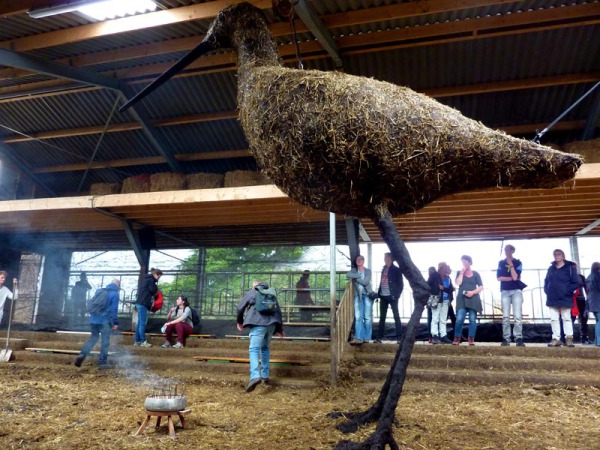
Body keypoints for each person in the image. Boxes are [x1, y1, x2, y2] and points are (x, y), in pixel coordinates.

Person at [236, 280, 284, 392]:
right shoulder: (271, 292)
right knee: (265, 348)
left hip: (258, 324)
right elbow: (278, 311)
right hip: (271, 325)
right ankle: (265, 375)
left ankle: (255, 376)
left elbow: (240, 307)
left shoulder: (253, 291)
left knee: (253, 350)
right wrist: (280, 329)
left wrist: (239, 321)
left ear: (255, 286)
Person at [75, 278, 120, 369]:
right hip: (104, 321)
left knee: (93, 338)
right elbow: (113, 310)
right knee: (105, 342)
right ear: (118, 286)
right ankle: (102, 363)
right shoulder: (115, 294)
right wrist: (115, 322)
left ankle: (82, 355)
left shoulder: (99, 291)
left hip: (93, 320)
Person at [544, 249, 580, 347]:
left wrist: (567, 290)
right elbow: (546, 281)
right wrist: (547, 290)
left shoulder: (570, 268)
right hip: (552, 297)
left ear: (563, 256)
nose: (556, 256)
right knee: (554, 319)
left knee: (566, 318)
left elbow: (576, 282)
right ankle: (556, 338)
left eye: (558, 254)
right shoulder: (551, 268)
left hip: (565, 297)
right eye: (555, 254)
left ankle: (569, 338)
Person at [496, 245, 525, 347]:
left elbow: (515, 277)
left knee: (517, 316)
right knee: (505, 316)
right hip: (505, 291)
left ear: (512, 251)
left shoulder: (518, 262)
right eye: (505, 250)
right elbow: (499, 278)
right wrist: (512, 278)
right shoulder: (501, 263)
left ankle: (518, 338)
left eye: (508, 249)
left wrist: (511, 265)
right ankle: (506, 338)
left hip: (516, 291)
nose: (506, 251)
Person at [453, 255, 484, 345]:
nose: (464, 263)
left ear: (470, 262)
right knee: (459, 319)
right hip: (462, 299)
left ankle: (471, 338)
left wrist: (473, 292)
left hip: (473, 299)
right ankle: (457, 338)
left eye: (465, 262)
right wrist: (462, 273)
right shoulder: (459, 272)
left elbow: (481, 287)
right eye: (462, 262)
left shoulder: (476, 274)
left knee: (472, 319)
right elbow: (458, 283)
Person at [375, 253, 403, 343]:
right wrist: (379, 293)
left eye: (386, 258)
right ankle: (379, 337)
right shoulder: (383, 269)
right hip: (383, 296)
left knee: (396, 316)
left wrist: (396, 295)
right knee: (382, 317)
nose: (385, 259)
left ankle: (399, 337)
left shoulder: (396, 270)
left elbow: (401, 284)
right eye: (384, 258)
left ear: (391, 259)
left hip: (392, 296)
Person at [346, 255, 374, 344]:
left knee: (367, 317)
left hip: (367, 295)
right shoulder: (354, 270)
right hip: (358, 296)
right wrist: (357, 275)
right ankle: (358, 337)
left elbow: (366, 282)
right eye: (357, 259)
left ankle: (367, 337)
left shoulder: (368, 271)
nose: (359, 260)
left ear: (363, 261)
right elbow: (347, 274)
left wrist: (356, 278)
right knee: (358, 317)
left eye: (361, 259)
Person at [135, 267, 162, 347]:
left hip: (139, 302)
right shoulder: (151, 280)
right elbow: (153, 290)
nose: (158, 278)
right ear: (155, 274)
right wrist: (156, 288)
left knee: (139, 323)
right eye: (158, 276)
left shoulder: (146, 279)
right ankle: (143, 341)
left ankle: (137, 341)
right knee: (142, 323)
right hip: (143, 303)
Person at [430, 262, 453, 344]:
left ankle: (443, 335)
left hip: (446, 300)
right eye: (444, 268)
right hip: (436, 299)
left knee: (443, 319)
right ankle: (434, 335)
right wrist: (437, 288)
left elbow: (450, 289)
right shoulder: (434, 275)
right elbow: (428, 284)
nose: (445, 270)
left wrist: (445, 290)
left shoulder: (448, 278)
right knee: (435, 318)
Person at [586, 262, 600, 346]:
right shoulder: (598, 276)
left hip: (592, 302)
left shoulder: (589, 276)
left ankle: (597, 341)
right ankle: (599, 341)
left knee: (597, 321)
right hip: (598, 301)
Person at [443, 264, 457, 340]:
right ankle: (443, 335)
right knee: (445, 318)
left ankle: (456, 335)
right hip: (444, 300)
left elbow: (450, 287)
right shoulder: (443, 278)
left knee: (452, 318)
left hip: (448, 301)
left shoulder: (448, 278)